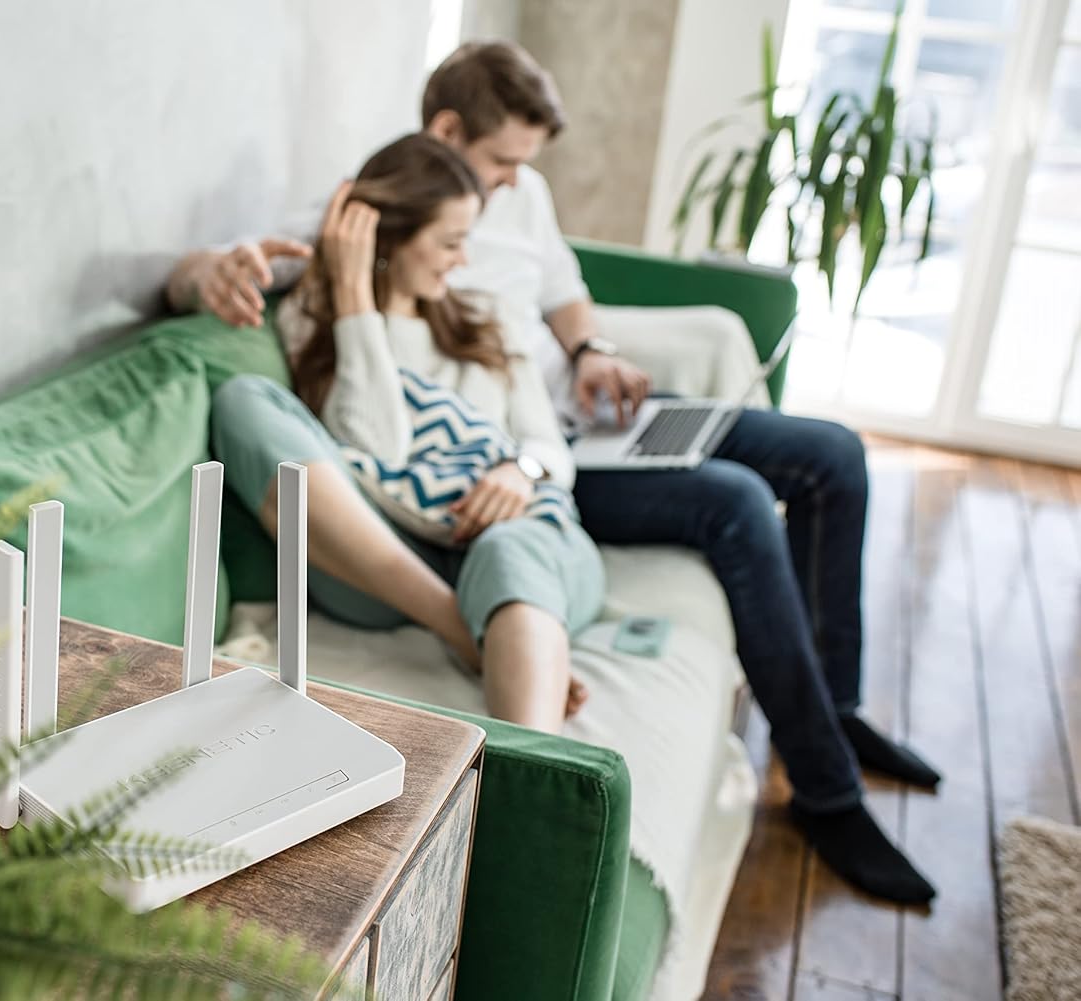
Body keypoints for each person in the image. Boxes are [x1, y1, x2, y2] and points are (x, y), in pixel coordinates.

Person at [171, 41, 940, 907]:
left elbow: (559, 300)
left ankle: (835, 718)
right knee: (732, 503)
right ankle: (821, 784)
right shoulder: (347, 235)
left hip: (552, 438)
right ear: (446, 134)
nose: (505, 195)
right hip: (416, 510)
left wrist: (580, 367)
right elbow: (306, 367)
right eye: (495, 169)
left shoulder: (498, 260)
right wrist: (289, 287)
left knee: (830, 453)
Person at [212, 132, 606, 734]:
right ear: (387, 241)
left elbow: (550, 447)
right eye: (450, 242)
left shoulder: (487, 321)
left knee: (507, 550)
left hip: (517, 537)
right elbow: (381, 448)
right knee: (243, 400)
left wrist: (519, 472)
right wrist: (353, 298)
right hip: (384, 563)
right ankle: (460, 625)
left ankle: (536, 774)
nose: (463, 259)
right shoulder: (313, 323)